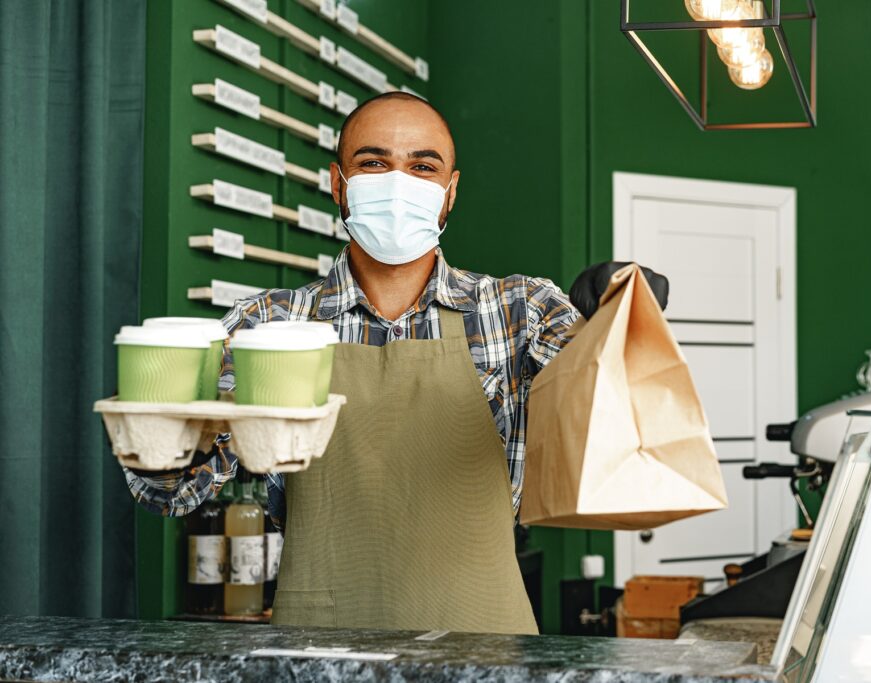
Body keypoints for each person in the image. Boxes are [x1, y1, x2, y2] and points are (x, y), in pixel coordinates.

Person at [124, 92, 668, 635]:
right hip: (316, 645)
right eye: (374, 163)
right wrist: (161, 437)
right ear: (338, 183)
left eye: (423, 166)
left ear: (449, 191)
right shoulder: (267, 325)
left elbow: (615, 419)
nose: (398, 182)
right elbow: (169, 495)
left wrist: (623, 321)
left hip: (484, 637)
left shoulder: (519, 311)